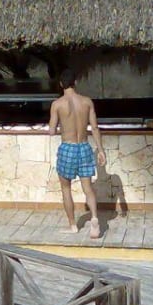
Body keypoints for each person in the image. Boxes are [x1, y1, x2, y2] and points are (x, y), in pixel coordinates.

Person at [48, 69, 106, 238]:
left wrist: (61, 127)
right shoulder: (87, 102)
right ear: (75, 82)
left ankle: (73, 225)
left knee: (66, 188)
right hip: (84, 146)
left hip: (68, 147)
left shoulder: (57, 104)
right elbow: (94, 127)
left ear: (61, 84)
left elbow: (52, 131)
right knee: (88, 188)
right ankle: (94, 218)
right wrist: (101, 150)